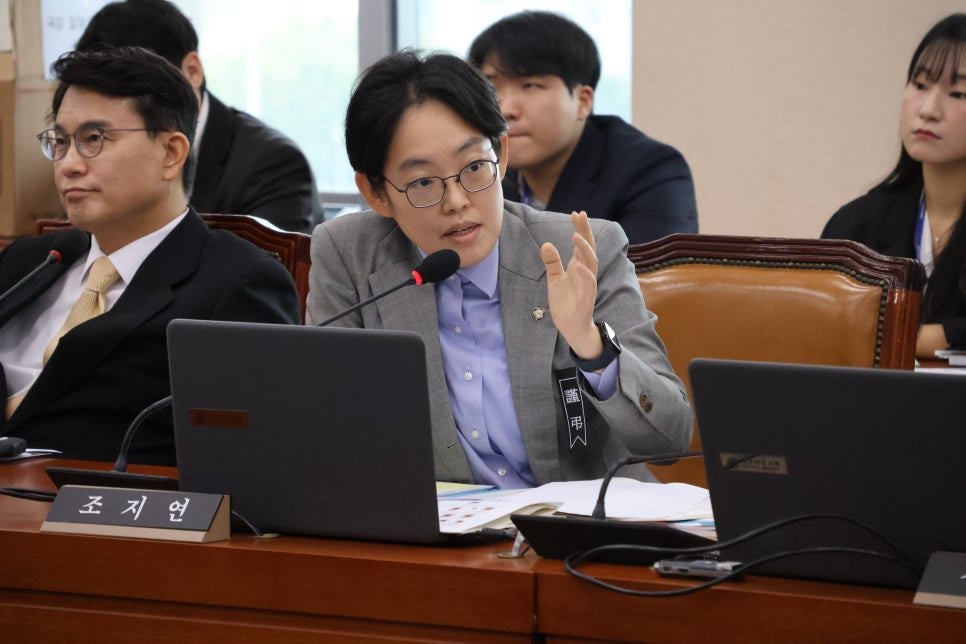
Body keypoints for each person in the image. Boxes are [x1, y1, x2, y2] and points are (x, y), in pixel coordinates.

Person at [306, 50, 692, 488]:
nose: (457, 202)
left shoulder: (581, 249)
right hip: (438, 525)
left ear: (502, 154)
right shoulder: (349, 254)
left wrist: (591, 345)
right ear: (375, 192)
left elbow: (670, 440)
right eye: (423, 182)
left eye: (474, 168)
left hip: (579, 522)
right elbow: (324, 421)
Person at [0, 47, 301, 464]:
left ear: (171, 153)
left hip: (92, 499)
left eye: (93, 139)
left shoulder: (235, 283)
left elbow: (259, 455)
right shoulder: (29, 261)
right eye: (61, 141)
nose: (68, 165)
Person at [76, 0, 325, 233]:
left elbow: (263, 265)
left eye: (132, 90)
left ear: (192, 71)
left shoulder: (272, 164)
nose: (120, 109)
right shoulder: (92, 156)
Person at [467, 10, 698, 245]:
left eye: (530, 86)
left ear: (583, 101)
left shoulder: (648, 171)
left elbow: (651, 268)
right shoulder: (480, 175)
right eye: (491, 89)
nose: (506, 109)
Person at [822, 14, 966, 357]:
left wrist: (923, 338)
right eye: (920, 84)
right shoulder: (856, 228)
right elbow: (823, 328)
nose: (928, 110)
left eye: (958, 93)